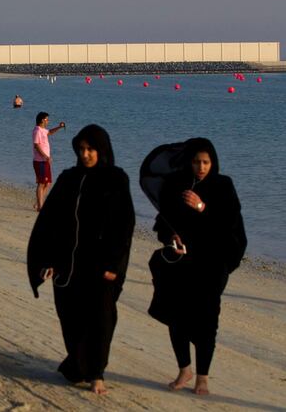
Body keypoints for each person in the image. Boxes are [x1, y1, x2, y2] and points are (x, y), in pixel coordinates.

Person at [27, 125, 135, 395]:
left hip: (101, 267)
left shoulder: (116, 179)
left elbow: (124, 226)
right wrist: (47, 259)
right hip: (68, 264)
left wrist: (114, 264)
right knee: (71, 318)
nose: (86, 154)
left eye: (91, 149)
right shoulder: (68, 178)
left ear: (102, 149)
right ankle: (77, 364)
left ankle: (96, 373)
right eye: (82, 149)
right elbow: (51, 221)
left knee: (101, 320)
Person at [143, 138, 246, 396]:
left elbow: (230, 226)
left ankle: (203, 377)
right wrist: (171, 238)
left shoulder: (223, 186)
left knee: (207, 319)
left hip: (213, 263)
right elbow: (162, 224)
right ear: (189, 162)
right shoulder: (177, 185)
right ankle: (184, 369)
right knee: (176, 316)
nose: (201, 167)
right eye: (196, 161)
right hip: (182, 262)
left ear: (213, 162)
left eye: (206, 162)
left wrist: (202, 207)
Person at [32, 112, 66, 211]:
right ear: (42, 120)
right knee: (41, 183)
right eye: (47, 119)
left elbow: (49, 132)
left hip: (45, 161)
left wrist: (59, 127)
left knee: (48, 183)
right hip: (40, 161)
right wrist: (46, 156)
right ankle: (40, 206)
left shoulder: (42, 130)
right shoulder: (37, 130)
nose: (48, 121)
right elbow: (36, 145)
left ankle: (38, 202)